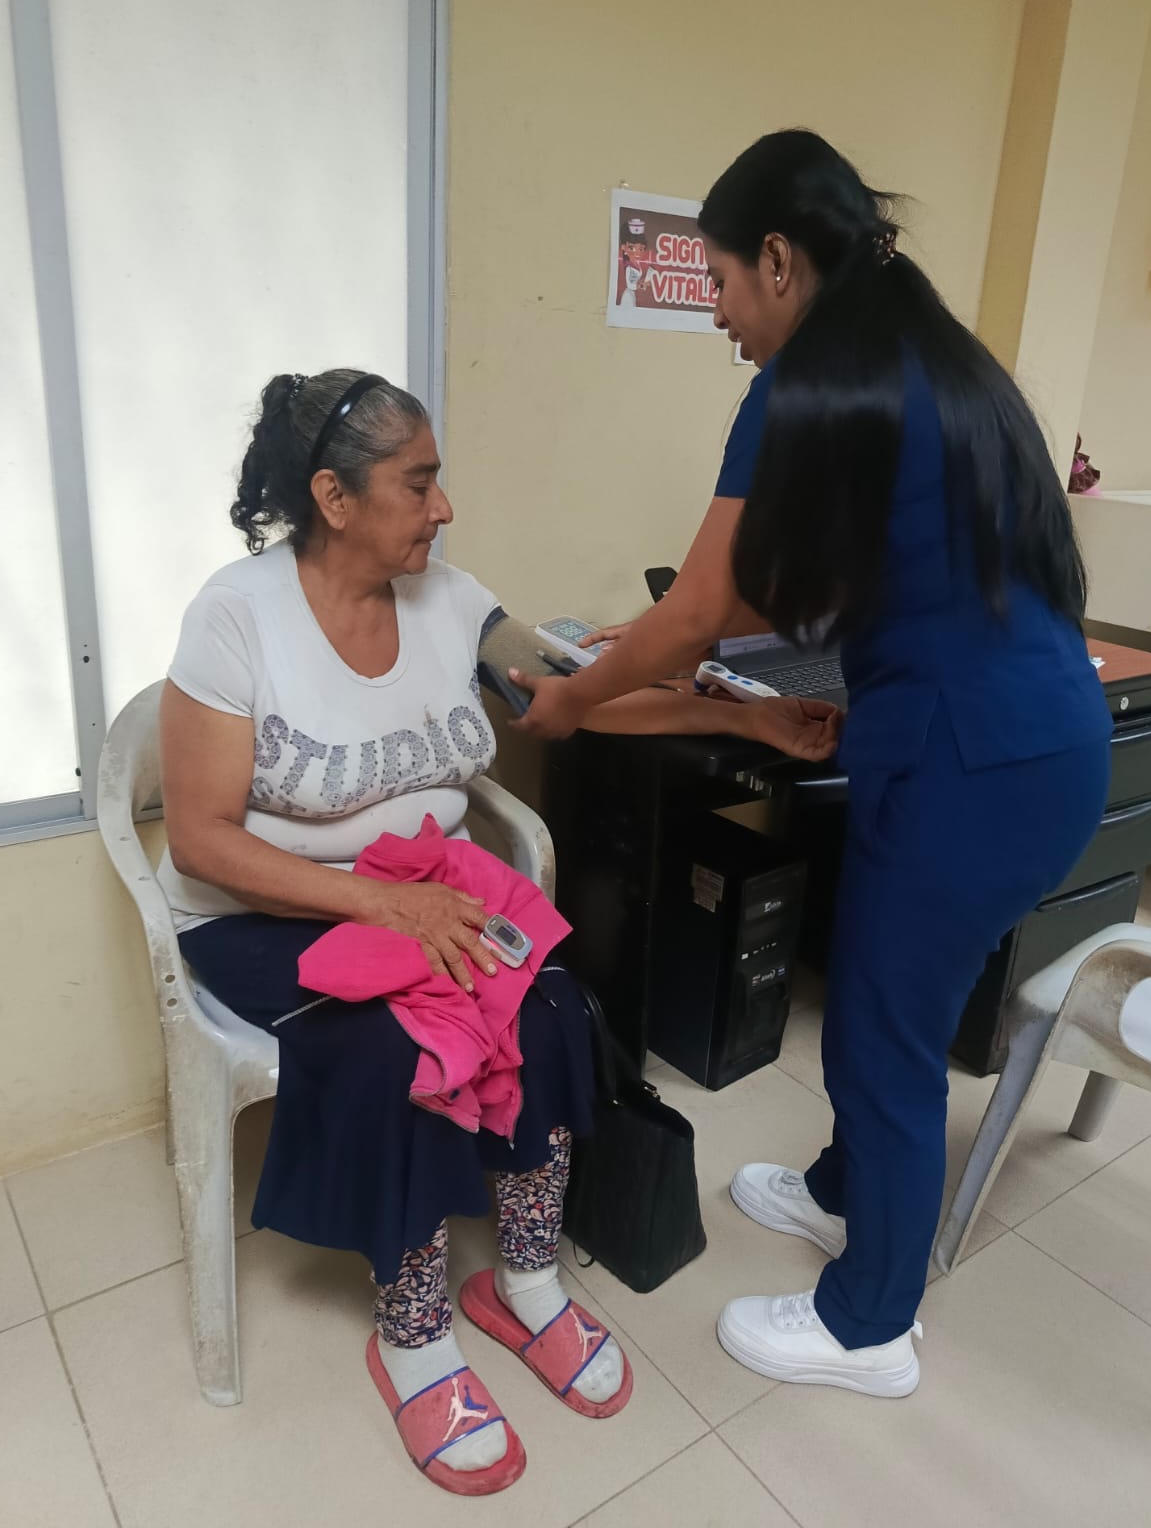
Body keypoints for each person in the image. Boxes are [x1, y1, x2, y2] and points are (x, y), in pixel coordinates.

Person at [158, 367, 841, 1495]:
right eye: (418, 482)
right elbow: (199, 839)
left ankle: (524, 1282)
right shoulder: (235, 617)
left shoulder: (452, 601)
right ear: (334, 497)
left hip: (428, 892)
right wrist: (380, 903)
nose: (445, 507)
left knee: (556, 1006)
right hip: (273, 911)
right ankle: (413, 1332)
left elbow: (579, 691)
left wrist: (748, 717)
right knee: (395, 1049)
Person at [513, 130, 1112, 1397]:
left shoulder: (799, 387)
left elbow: (703, 610)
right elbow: (779, 591)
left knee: (885, 1032)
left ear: (778, 261)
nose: (718, 312)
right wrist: (649, 638)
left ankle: (870, 1323)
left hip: (973, 764)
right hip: (1028, 743)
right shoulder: (926, 359)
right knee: (887, 1003)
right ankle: (846, 1188)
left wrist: (573, 695)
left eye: (722, 280)